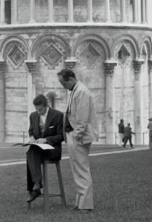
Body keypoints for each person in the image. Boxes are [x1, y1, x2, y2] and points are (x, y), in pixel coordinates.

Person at [58, 69, 97, 214]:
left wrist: (76, 135)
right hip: (75, 135)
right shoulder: (76, 91)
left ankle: (86, 205)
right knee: (77, 170)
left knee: (81, 170)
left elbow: (82, 117)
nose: (63, 86)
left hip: (79, 136)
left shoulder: (81, 92)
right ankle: (80, 202)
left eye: (64, 83)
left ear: (71, 79)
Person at [25, 94, 64, 203]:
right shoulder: (33, 116)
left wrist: (46, 140)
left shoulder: (58, 115)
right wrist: (32, 138)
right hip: (38, 149)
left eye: (40, 109)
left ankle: (34, 188)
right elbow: (31, 131)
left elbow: (61, 136)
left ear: (46, 106)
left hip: (52, 150)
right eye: (36, 109)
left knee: (30, 154)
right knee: (31, 151)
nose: (38, 111)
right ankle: (37, 185)